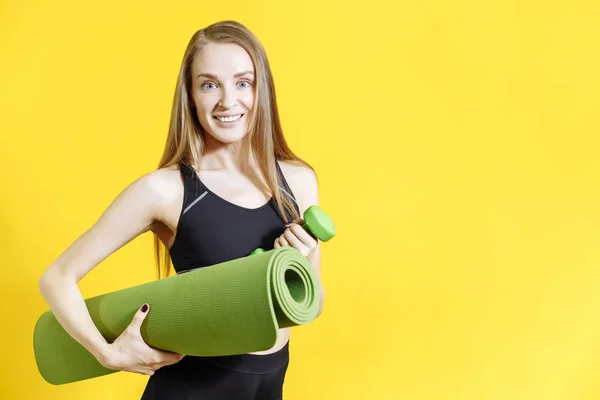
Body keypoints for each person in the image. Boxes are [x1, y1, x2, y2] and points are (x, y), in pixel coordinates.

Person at [38, 20, 325, 399]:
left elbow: (315, 304)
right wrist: (108, 354)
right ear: (190, 95)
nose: (227, 101)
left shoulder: (298, 179)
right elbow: (56, 278)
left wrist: (298, 268)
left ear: (262, 89)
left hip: (268, 386)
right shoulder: (165, 190)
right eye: (209, 85)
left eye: (243, 82)